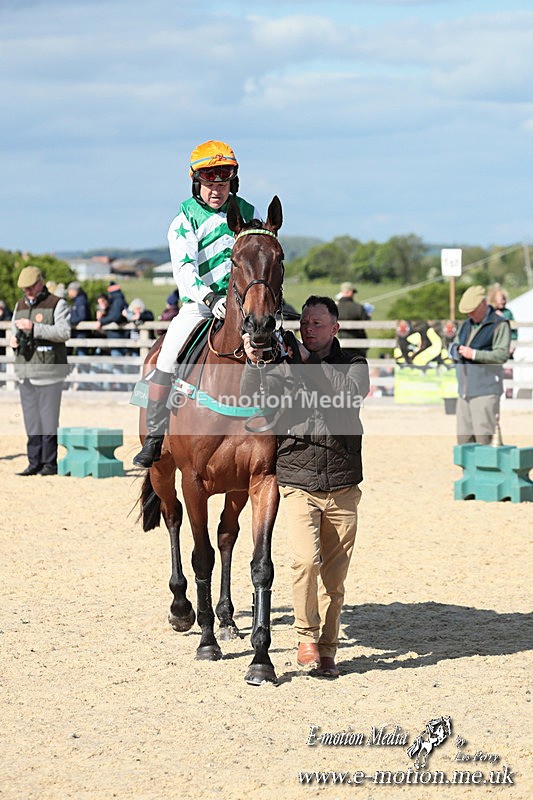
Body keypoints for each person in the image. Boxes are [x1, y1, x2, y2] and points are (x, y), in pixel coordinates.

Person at [242, 295, 370, 678]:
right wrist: (253, 362)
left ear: (335, 328)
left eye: (317, 325)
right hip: (298, 480)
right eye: (305, 325)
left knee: (335, 580)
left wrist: (308, 363)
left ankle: (328, 649)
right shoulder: (286, 367)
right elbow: (254, 400)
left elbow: (350, 396)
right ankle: (305, 636)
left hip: (343, 484)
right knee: (304, 561)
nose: (308, 331)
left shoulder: (354, 366)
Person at [133, 139, 260, 468]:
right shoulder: (184, 219)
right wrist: (209, 297)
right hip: (199, 305)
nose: (216, 191)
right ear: (197, 183)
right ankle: (155, 434)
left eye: (223, 183)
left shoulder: (249, 213)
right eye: (209, 184)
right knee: (167, 357)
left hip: (244, 306)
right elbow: (184, 268)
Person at [10, 266, 70, 476]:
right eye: (24, 289)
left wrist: (34, 328)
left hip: (49, 371)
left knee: (48, 419)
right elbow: (14, 329)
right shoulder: (19, 304)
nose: (26, 292)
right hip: (25, 370)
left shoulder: (57, 303)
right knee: (31, 419)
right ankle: (33, 461)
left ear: (40, 283)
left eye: (29, 288)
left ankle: (49, 463)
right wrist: (15, 339)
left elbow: (64, 332)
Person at [449, 285, 511, 444]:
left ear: (483, 303)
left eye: (472, 310)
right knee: (464, 442)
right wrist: (455, 350)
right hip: (464, 392)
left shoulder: (499, 325)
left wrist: (475, 354)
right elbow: (455, 343)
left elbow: (502, 354)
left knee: (485, 440)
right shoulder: (466, 325)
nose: (469, 314)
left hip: (486, 392)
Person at [336, 281, 370, 358]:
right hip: (359, 346)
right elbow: (366, 322)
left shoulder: (335, 308)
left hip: (342, 344)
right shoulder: (358, 307)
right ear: (350, 292)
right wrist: (369, 315)